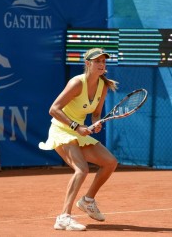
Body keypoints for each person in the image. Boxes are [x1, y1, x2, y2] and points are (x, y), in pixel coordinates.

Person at [39, 48, 118, 231]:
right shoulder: (76, 83)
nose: (101, 64)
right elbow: (54, 109)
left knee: (110, 162)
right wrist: (77, 127)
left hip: (77, 131)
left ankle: (88, 200)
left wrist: (96, 123)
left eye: (103, 61)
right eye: (97, 61)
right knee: (81, 170)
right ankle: (63, 217)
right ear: (87, 64)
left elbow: (96, 113)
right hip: (62, 130)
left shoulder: (103, 86)